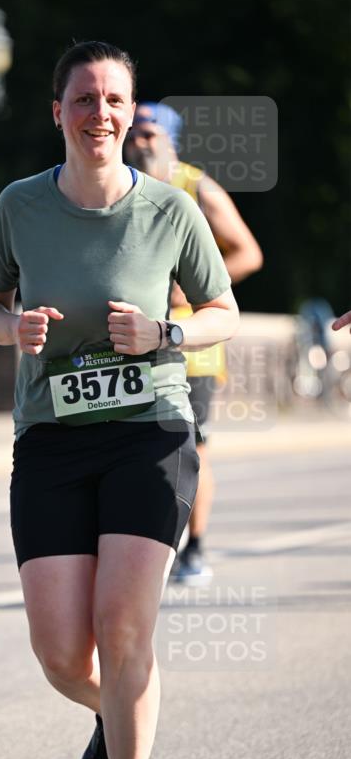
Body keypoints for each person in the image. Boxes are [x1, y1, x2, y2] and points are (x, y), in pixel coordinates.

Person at [0, 41, 239, 759]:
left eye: (114, 99)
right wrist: (9, 328)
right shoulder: (19, 205)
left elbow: (222, 309)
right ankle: (116, 710)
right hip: (51, 438)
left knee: (123, 631)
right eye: (84, 99)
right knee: (60, 653)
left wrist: (165, 333)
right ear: (58, 112)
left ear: (130, 111)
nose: (100, 113)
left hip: (148, 434)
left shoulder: (170, 208)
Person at [126, 102, 263, 580]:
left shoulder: (197, 187)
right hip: (137, 341)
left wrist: (195, 288)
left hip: (193, 345)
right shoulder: (120, 186)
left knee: (191, 449)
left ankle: (196, 549)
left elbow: (249, 253)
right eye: (134, 134)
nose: (139, 142)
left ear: (172, 140)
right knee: (135, 447)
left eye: (150, 134)